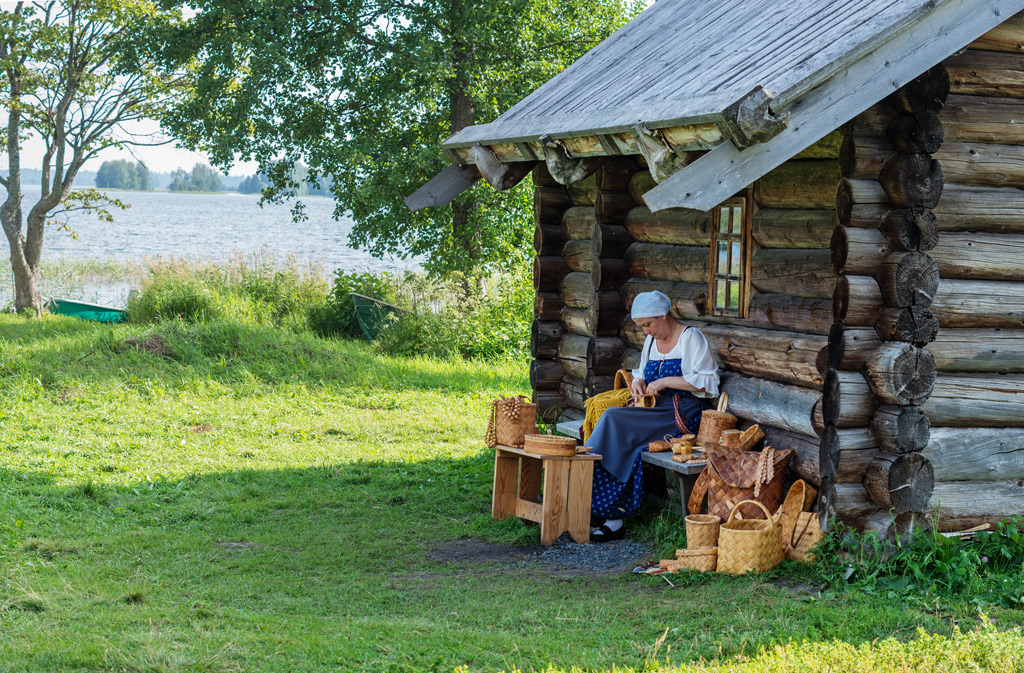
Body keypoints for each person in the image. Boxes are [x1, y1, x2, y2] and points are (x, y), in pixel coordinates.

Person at [586, 290, 719, 542]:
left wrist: (667, 381)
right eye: (641, 326)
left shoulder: (690, 338)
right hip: (655, 409)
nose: (645, 331)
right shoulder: (651, 342)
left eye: (647, 324)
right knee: (613, 421)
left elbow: (708, 382)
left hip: (682, 414)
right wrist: (639, 381)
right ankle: (599, 506)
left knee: (615, 419)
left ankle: (609, 513)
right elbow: (641, 370)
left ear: (663, 314)